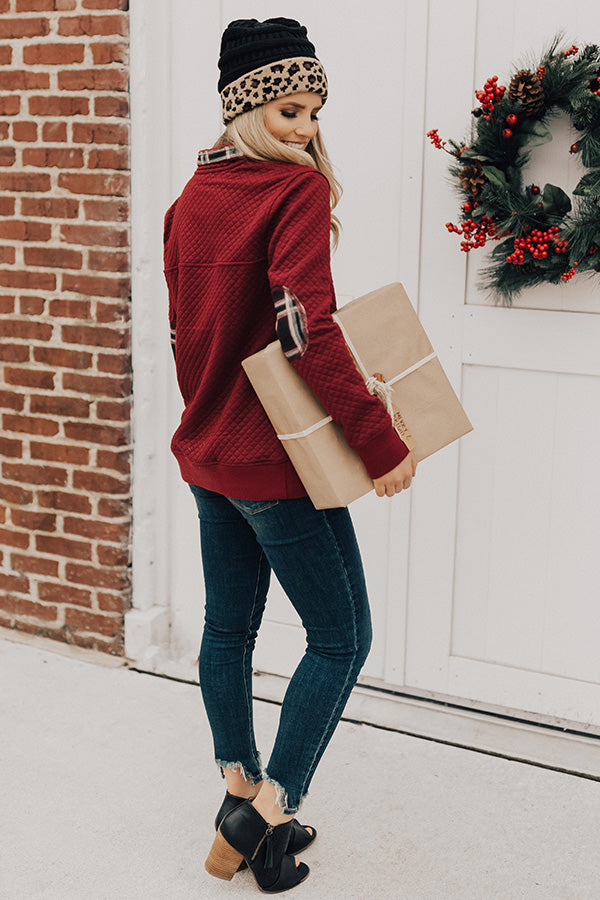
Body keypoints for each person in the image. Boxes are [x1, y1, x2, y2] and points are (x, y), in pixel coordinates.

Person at [163, 17, 417, 893]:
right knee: (343, 637)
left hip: (207, 452)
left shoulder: (191, 198)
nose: (305, 130)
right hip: (275, 463)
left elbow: (184, 335)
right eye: (287, 111)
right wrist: (379, 440)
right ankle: (265, 813)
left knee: (227, 630)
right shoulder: (293, 191)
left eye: (314, 112)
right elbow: (305, 331)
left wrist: (209, 415)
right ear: (245, 109)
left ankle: (237, 792)